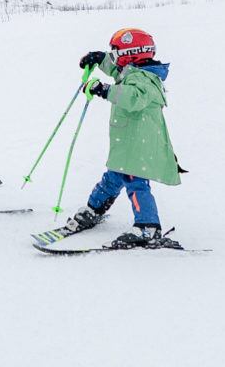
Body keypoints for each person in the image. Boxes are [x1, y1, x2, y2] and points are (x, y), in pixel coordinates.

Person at [51, 29, 186, 248]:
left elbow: (132, 97)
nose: (113, 59)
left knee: (136, 182)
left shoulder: (145, 80)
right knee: (112, 178)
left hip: (139, 146)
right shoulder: (132, 72)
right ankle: (94, 210)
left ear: (132, 55)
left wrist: (103, 89)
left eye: (115, 54)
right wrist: (100, 58)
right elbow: (117, 72)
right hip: (128, 144)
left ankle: (147, 226)